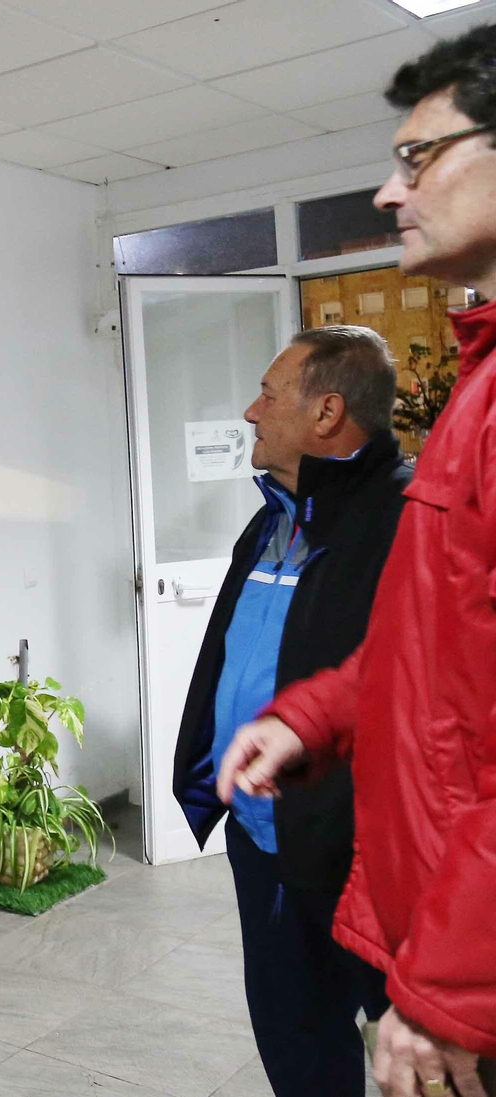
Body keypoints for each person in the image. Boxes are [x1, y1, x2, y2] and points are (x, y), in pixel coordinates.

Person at [217, 24, 496, 1097]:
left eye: (418, 158)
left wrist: (448, 989)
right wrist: (313, 714)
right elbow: (437, 660)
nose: (389, 193)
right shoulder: (474, 393)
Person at [173, 327, 406, 1096]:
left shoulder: (406, 520)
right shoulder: (271, 520)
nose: (249, 412)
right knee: (297, 1044)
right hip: (264, 843)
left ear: (327, 411)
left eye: (269, 395)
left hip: (366, 858)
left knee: (419, 1056)